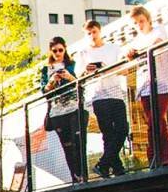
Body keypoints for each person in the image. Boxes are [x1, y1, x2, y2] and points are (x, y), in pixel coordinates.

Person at [126, 5, 168, 167]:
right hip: (145, 86)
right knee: (154, 121)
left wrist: (137, 50)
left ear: (148, 20)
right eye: (136, 23)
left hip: (162, 83)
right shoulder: (135, 41)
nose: (139, 25)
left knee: (156, 119)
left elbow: (157, 43)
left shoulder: (158, 30)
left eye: (141, 21)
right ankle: (164, 155)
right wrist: (129, 53)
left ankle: (155, 155)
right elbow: (125, 54)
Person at [81, 19, 128, 177]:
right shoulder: (84, 53)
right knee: (107, 133)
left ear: (99, 31)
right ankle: (117, 168)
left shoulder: (113, 48)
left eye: (94, 32)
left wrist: (106, 66)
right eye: (89, 34)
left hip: (116, 93)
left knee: (122, 129)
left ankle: (103, 164)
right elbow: (78, 77)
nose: (92, 36)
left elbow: (124, 69)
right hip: (98, 96)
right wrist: (86, 71)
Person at [41, 37, 87, 183]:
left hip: (75, 107)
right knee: (67, 146)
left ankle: (83, 175)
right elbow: (44, 91)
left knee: (78, 141)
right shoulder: (45, 69)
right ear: (50, 51)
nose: (58, 53)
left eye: (60, 50)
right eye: (55, 51)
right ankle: (75, 176)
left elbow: (82, 82)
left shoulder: (73, 64)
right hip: (57, 111)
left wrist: (69, 76)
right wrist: (51, 81)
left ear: (65, 49)